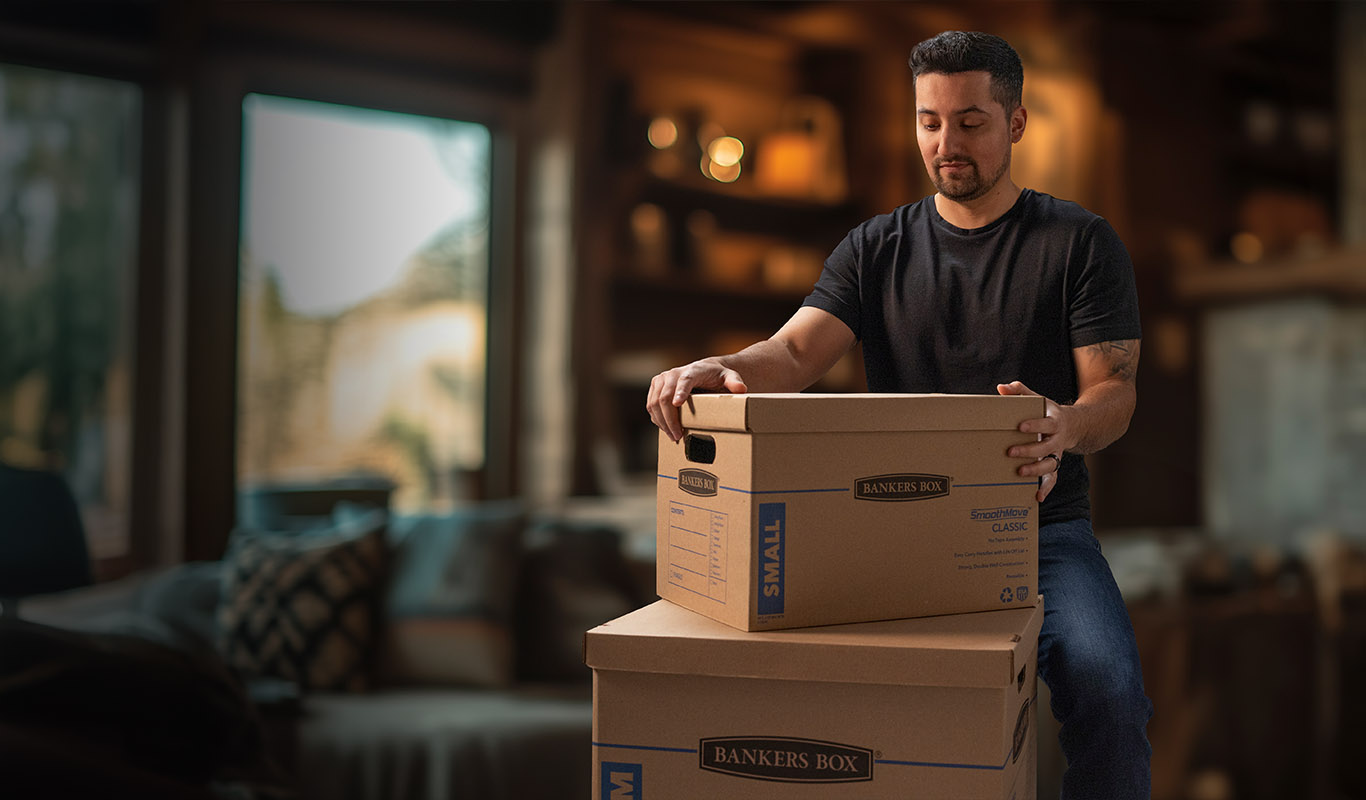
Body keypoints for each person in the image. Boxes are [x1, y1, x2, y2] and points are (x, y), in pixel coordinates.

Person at [645, 30, 1152, 799]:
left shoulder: (1079, 243)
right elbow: (788, 356)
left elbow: (1113, 393)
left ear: (1016, 122)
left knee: (1110, 693)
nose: (948, 143)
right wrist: (724, 367)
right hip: (890, 526)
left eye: (971, 122)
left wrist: (1065, 424)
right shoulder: (873, 248)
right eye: (930, 121)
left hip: (1041, 532)